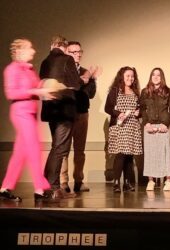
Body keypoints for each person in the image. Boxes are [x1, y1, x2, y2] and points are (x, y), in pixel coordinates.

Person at [0, 39, 56, 202]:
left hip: (30, 113)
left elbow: (37, 87)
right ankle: (40, 188)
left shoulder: (29, 70)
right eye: (30, 48)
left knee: (20, 153)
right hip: (20, 112)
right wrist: (36, 90)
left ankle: (5, 187)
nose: (33, 51)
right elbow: (11, 94)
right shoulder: (11, 70)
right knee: (34, 149)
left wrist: (47, 89)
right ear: (19, 51)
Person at [40, 35, 84, 199]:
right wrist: (84, 78)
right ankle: (52, 187)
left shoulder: (45, 61)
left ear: (52, 46)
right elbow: (75, 84)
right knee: (60, 149)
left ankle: (48, 185)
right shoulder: (67, 59)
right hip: (64, 110)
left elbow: (43, 82)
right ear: (64, 47)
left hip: (50, 110)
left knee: (56, 147)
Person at [60, 41, 99, 193]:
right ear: (67, 53)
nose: (77, 54)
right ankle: (63, 182)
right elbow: (72, 90)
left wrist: (93, 79)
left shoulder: (84, 71)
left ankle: (78, 181)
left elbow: (91, 94)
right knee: (64, 150)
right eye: (73, 52)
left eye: (79, 51)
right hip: (67, 114)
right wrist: (84, 79)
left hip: (82, 113)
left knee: (80, 150)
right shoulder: (64, 70)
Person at [105, 66, 142, 193]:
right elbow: (108, 108)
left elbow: (140, 109)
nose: (130, 78)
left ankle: (127, 182)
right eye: (128, 76)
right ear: (122, 77)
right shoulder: (115, 91)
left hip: (132, 126)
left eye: (132, 76)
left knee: (129, 156)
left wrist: (139, 112)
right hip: (119, 126)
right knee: (120, 154)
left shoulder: (136, 92)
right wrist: (117, 113)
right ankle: (116, 182)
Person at [140, 68, 170, 191]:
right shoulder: (145, 92)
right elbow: (142, 109)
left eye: (158, 75)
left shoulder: (167, 91)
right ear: (151, 77)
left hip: (163, 126)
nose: (156, 77)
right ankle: (151, 181)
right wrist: (146, 124)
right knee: (150, 154)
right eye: (154, 75)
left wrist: (166, 124)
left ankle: (168, 181)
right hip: (150, 126)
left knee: (166, 154)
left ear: (162, 77)